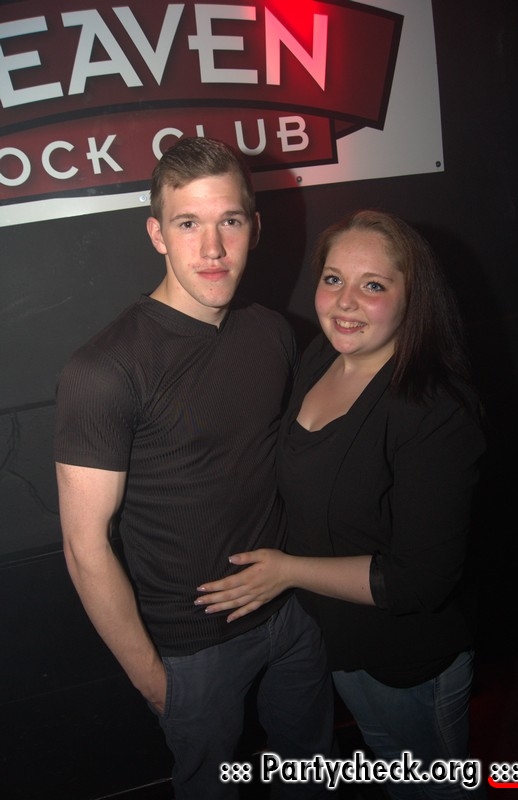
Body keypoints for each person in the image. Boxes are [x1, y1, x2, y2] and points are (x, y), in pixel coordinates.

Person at [54, 136, 333, 800]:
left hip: (292, 615)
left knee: (311, 776)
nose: (212, 248)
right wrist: (155, 682)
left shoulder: (271, 332)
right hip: (192, 649)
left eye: (229, 221)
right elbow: (84, 546)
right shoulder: (103, 370)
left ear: (254, 228)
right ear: (157, 234)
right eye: (188, 224)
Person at [195, 210, 487, 799]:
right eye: (333, 279)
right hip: (340, 646)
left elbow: (419, 581)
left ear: (413, 298)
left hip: (406, 664)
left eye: (372, 285)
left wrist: (286, 571)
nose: (346, 302)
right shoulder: (320, 359)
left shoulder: (434, 410)